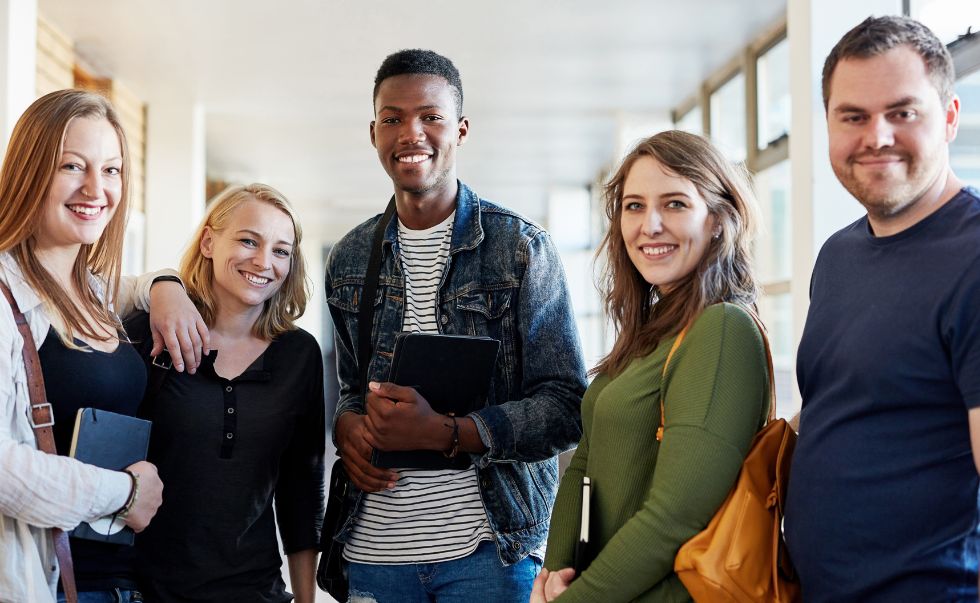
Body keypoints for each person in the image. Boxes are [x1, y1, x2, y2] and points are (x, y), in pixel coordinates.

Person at [324, 49, 587, 602]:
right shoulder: (350, 257)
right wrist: (346, 427)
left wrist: (450, 434)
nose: (410, 133)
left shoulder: (521, 249)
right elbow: (352, 390)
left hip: (489, 553)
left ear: (461, 130)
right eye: (392, 119)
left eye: (431, 116)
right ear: (373, 132)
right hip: (373, 553)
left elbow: (566, 406)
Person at [784, 15, 980, 602]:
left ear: (948, 118)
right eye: (854, 117)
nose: (878, 136)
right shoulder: (839, 255)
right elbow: (851, 404)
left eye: (903, 112)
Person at [532, 130, 770, 602]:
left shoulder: (721, 330)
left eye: (676, 204)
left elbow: (675, 518)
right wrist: (556, 575)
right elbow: (586, 460)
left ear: (719, 220)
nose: (650, 224)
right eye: (634, 205)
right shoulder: (654, 328)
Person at [0, 89, 192, 603]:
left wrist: (166, 285)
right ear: (29, 172)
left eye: (111, 170)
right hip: (42, 582)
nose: (95, 188)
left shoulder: (92, 291)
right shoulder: (4, 296)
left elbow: (133, 284)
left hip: (123, 581)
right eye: (72, 166)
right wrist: (123, 492)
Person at [126, 184, 325, 603]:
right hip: (145, 591)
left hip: (256, 591)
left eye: (281, 251)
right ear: (210, 241)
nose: (263, 262)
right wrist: (162, 285)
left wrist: (306, 600)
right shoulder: (153, 332)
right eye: (248, 241)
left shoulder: (299, 354)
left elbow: (300, 488)